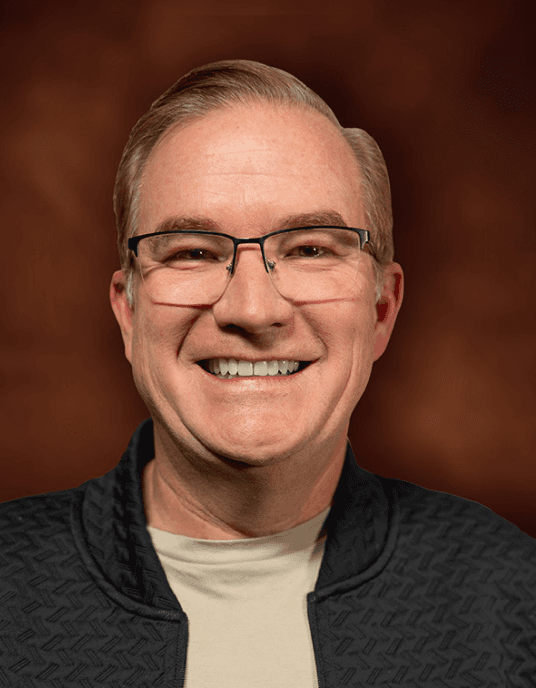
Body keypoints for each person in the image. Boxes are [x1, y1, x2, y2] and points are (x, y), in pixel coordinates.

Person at [1, 59, 534, 687]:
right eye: (193, 252)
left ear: (381, 311)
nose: (252, 310)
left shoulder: (511, 599)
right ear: (129, 313)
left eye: (309, 249)